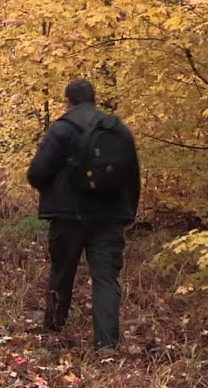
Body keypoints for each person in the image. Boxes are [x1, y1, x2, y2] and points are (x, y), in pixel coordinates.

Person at [26, 79, 141, 350]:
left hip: (68, 217)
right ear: (94, 98)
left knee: (62, 272)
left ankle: (54, 331)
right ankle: (107, 346)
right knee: (105, 279)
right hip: (110, 218)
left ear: (69, 100)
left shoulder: (63, 129)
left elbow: (37, 172)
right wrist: (128, 212)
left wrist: (54, 191)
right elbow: (133, 176)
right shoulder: (118, 130)